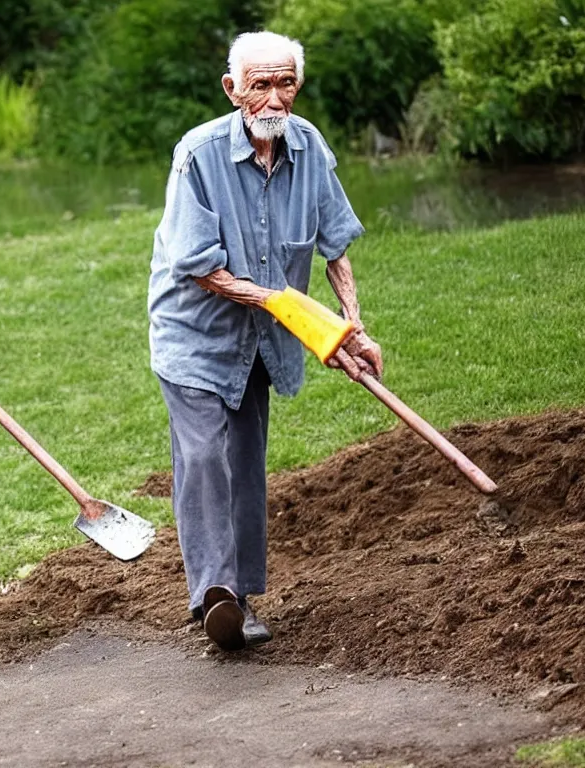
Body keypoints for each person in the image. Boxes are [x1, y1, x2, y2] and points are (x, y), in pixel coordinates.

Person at [148, 32, 383, 651]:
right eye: (260, 84)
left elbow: (335, 247)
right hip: (193, 336)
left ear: (297, 86)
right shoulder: (197, 155)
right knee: (202, 457)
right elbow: (200, 267)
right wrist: (283, 304)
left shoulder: (310, 148)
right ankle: (212, 594)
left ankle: (241, 597)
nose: (274, 97)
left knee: (246, 465)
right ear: (233, 90)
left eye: (285, 83)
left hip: (262, 342)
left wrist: (349, 327)